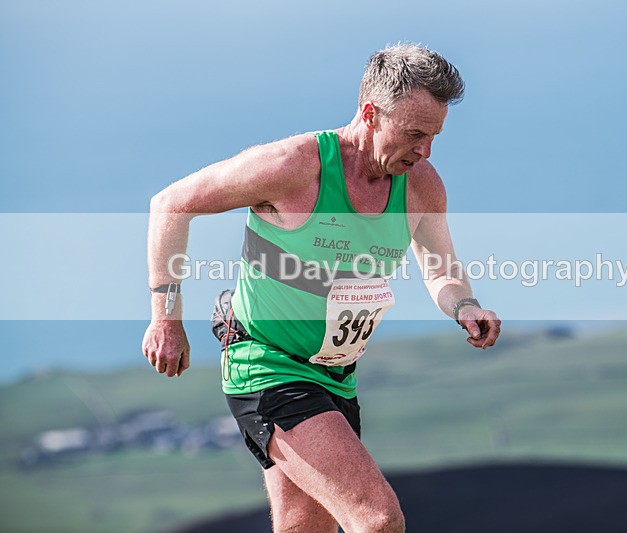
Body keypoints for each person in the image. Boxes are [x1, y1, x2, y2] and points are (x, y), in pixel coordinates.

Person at [142, 43, 501, 533]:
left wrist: (465, 306)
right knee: (377, 519)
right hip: (266, 365)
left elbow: (441, 271)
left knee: (304, 528)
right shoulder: (292, 166)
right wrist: (166, 318)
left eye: (434, 136)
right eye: (415, 134)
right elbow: (171, 204)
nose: (425, 151)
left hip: (336, 376)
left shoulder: (421, 185)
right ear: (371, 114)